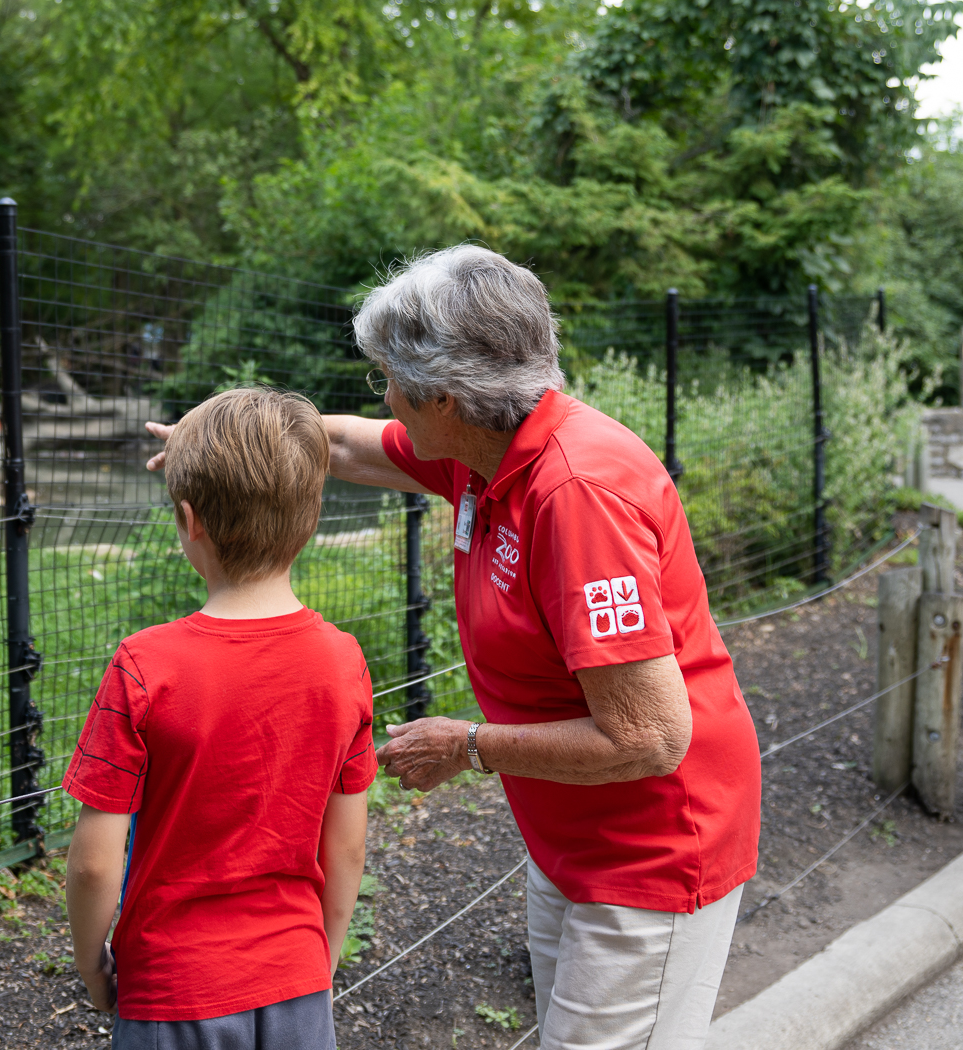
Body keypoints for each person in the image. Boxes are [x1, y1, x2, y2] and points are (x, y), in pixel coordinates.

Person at [144, 246, 761, 1050]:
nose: (385, 398)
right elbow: (340, 447)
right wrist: (212, 433)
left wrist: (466, 745)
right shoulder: (486, 453)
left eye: (388, 381)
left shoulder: (576, 498)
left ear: (445, 398)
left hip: (653, 847)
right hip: (577, 831)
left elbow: (649, 736)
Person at [63, 386, 376, 1049]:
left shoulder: (144, 665)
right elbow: (344, 843)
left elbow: (95, 863)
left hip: (172, 987)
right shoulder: (342, 660)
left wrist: (93, 966)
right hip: (294, 975)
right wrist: (323, 957)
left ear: (188, 520)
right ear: (313, 517)